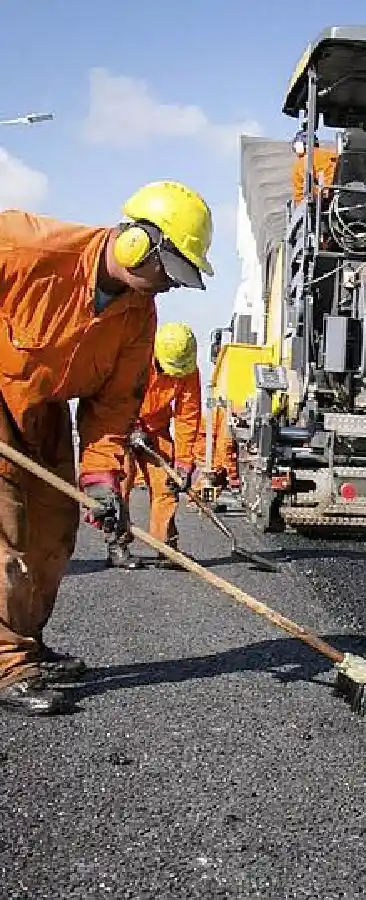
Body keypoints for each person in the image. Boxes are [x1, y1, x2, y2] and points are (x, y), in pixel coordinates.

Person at [0, 180, 214, 716]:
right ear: (137, 242)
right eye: (168, 271)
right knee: (5, 539)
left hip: (45, 413)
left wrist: (101, 478)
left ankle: (26, 643)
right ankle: (6, 664)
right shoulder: (23, 246)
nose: (169, 286)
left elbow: (115, 406)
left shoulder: (139, 316)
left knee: (53, 536)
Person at [112, 322, 203, 570]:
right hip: (122, 425)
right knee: (121, 483)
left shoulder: (186, 370)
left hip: (156, 430)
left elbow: (187, 416)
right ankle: (118, 544)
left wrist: (183, 463)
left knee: (167, 485)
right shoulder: (134, 357)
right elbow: (116, 397)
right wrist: (131, 426)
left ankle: (166, 548)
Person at [290, 129, 339, 206]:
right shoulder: (333, 155)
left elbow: (299, 195)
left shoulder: (302, 163)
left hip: (321, 203)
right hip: (339, 198)